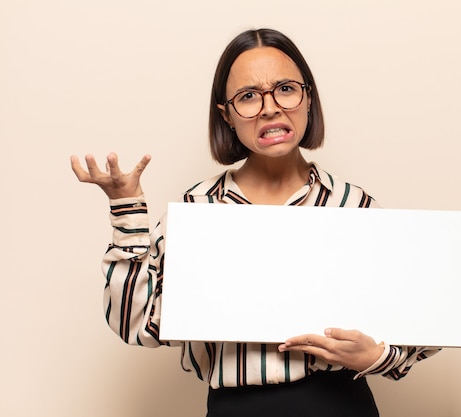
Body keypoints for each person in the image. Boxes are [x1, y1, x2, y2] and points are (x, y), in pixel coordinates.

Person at [71, 28, 440, 417]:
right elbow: (137, 324)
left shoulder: (355, 207)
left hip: (341, 406)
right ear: (226, 115)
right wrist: (126, 207)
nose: (269, 108)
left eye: (285, 88)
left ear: (308, 98)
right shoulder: (198, 208)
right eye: (248, 96)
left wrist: (376, 355)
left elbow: (421, 331)